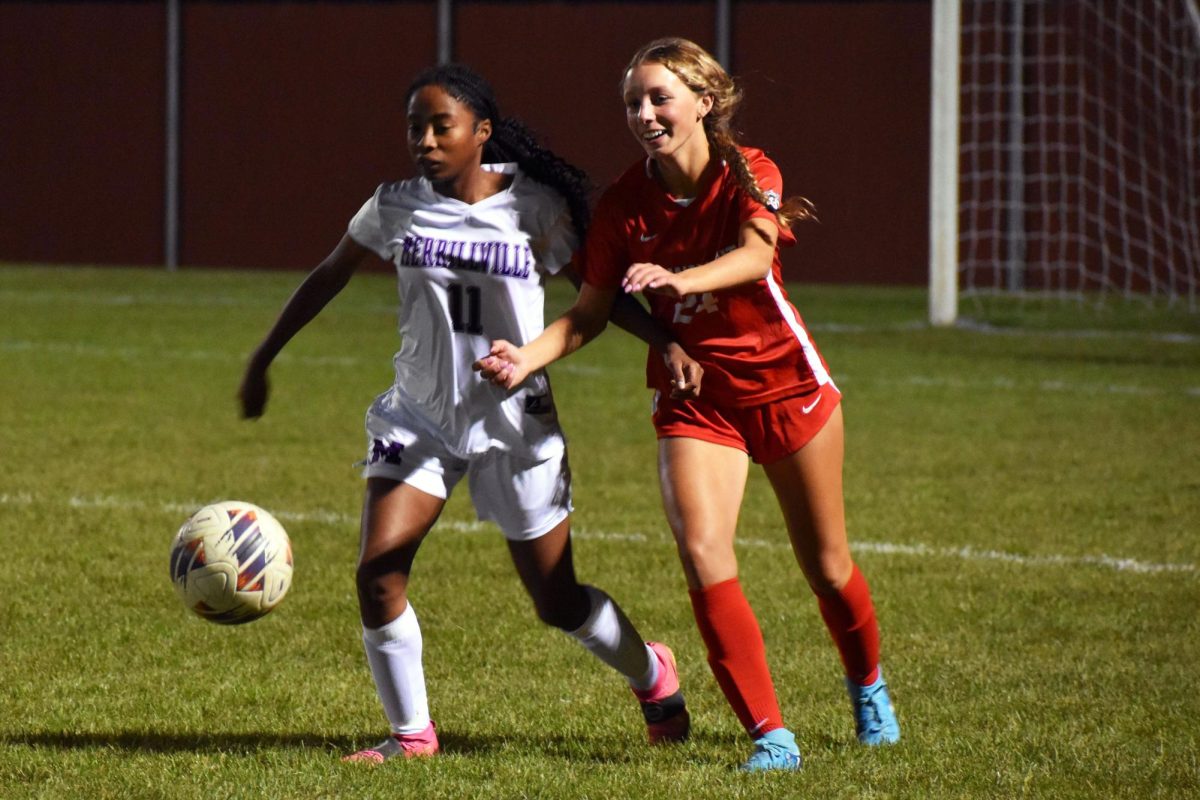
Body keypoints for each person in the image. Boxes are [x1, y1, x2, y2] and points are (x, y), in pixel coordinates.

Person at [238, 63, 698, 762]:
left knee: (557, 601)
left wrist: (663, 341)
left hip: (513, 425)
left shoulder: (534, 209)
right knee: (378, 575)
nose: (423, 140)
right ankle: (412, 735)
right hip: (418, 418)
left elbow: (594, 299)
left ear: (480, 132)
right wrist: (263, 356)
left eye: (439, 125)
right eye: (414, 128)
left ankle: (652, 672)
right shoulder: (394, 205)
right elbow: (329, 275)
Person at [475, 37, 900, 772]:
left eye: (658, 97)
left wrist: (681, 282)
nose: (644, 113)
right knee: (704, 553)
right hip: (698, 401)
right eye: (633, 102)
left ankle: (868, 686)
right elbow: (587, 315)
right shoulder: (621, 208)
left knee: (828, 567)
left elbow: (757, 256)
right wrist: (524, 357)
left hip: (786, 384)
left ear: (704, 102)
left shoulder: (748, 170)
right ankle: (771, 736)